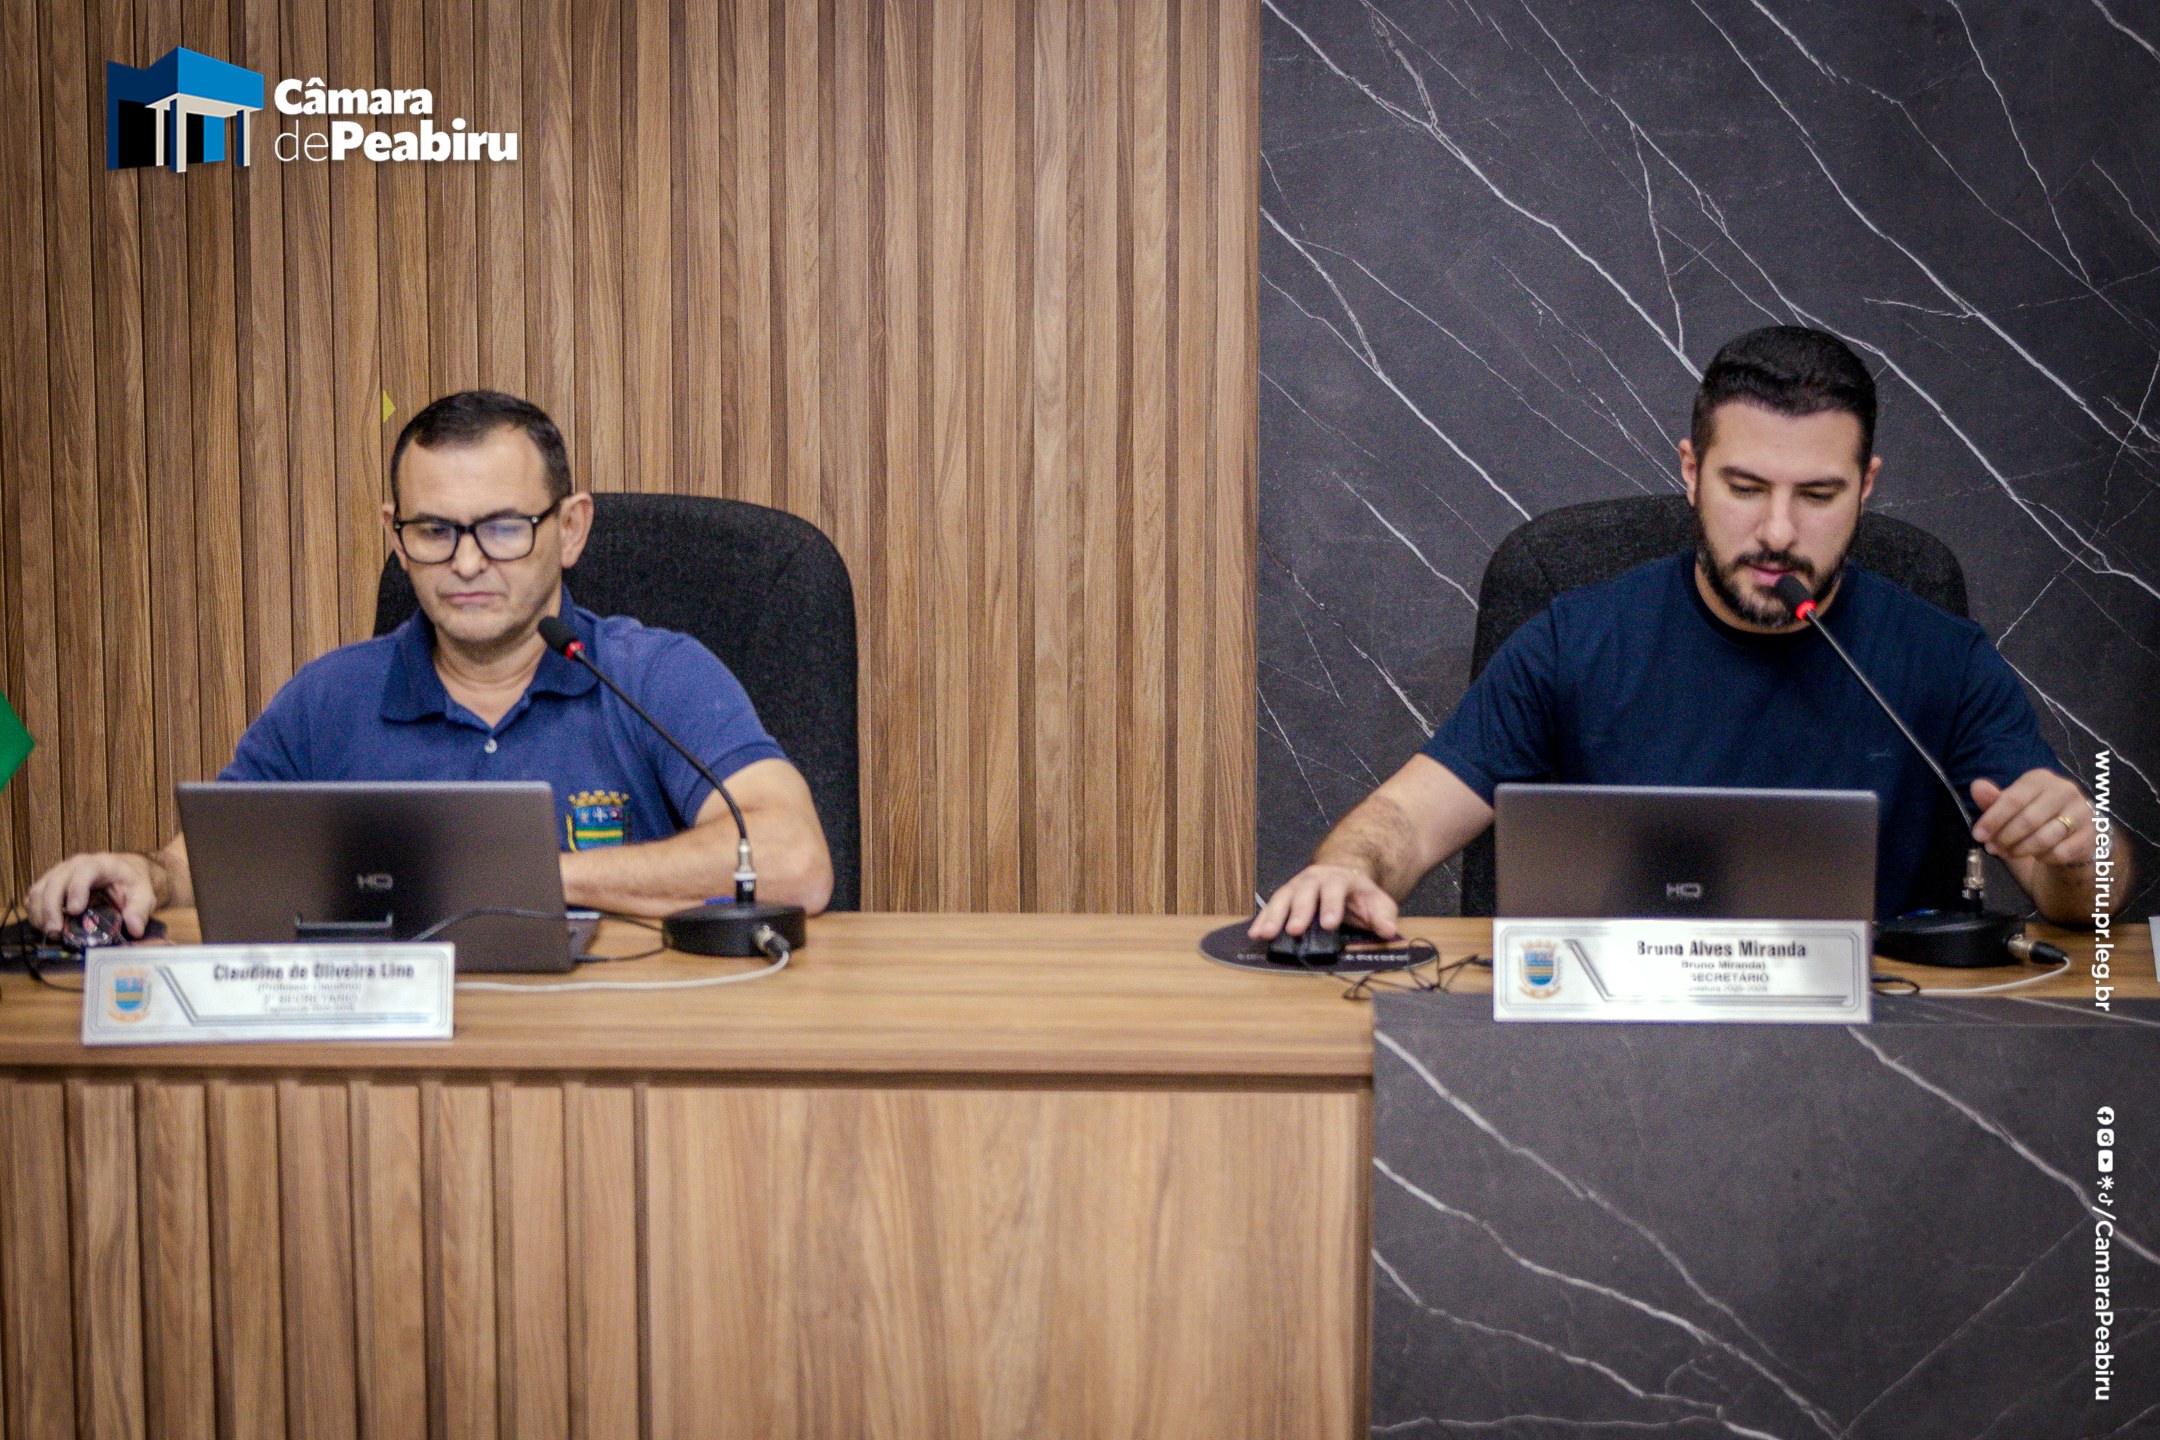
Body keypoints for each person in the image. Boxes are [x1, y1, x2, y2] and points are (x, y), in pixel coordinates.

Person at [1253, 325, 2107, 944]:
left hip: (1879, 1055)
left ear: (1866, 486)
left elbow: (2084, 899)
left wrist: (2078, 854)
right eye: (1745, 487)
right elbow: (1404, 819)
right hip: (1610, 1051)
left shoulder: (1944, 658)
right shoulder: (1575, 640)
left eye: (1817, 495)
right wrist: (1349, 870)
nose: (1778, 531)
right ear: (1692, 471)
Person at [26, 389, 833, 937]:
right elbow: (206, 865)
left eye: (504, 527)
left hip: (616, 1061)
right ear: (396, 535)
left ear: (571, 529)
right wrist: (139, 874)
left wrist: (518, 879)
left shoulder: (655, 676)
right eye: (435, 531)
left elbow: (793, 862)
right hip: (391, 1076)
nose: (468, 562)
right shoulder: (330, 698)